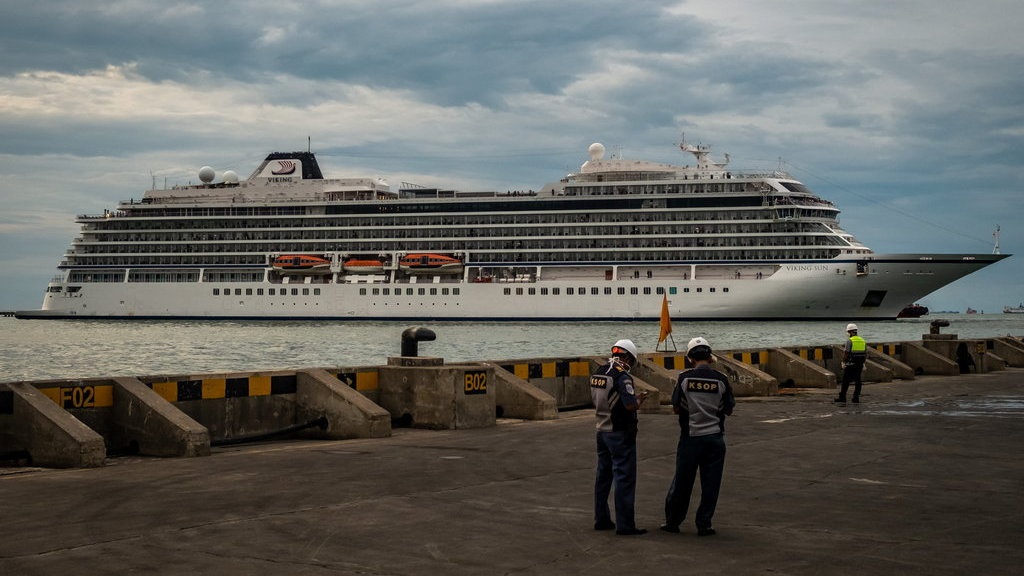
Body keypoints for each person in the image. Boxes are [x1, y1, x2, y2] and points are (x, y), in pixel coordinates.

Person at [662, 336, 735, 536]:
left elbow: (676, 407)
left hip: (690, 438)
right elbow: (728, 409)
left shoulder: (684, 378)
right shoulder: (722, 379)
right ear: (710, 357)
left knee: (682, 482)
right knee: (711, 484)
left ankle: (673, 521)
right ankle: (704, 524)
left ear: (690, 358)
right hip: (715, 437)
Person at [591, 338, 648, 535]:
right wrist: (638, 400)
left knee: (603, 478)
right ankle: (625, 525)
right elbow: (629, 405)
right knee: (624, 478)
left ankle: (602, 519)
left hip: (601, 430)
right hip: (620, 434)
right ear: (628, 357)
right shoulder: (622, 377)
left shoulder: (598, 373)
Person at [836, 323, 867, 403]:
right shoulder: (863, 340)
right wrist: (863, 363)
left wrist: (843, 362)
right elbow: (865, 353)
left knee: (845, 381)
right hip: (859, 364)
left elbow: (847, 353)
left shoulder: (849, 341)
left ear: (850, 332)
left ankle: (842, 397)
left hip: (850, 364)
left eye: (848, 332)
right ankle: (856, 398)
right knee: (858, 381)